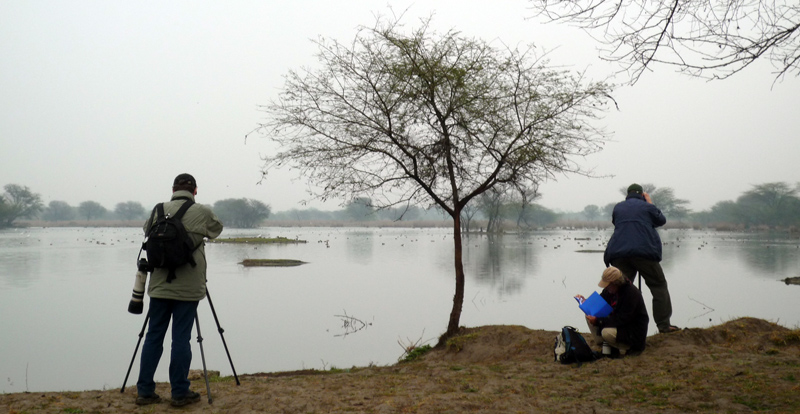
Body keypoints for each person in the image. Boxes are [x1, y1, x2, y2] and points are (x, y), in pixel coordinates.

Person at [136, 173, 224, 407]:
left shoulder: (157, 210)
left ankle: (144, 391)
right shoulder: (202, 211)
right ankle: (179, 392)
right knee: (181, 339)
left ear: (172, 189)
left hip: (159, 285)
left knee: (153, 336)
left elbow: (146, 232)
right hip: (189, 286)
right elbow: (217, 230)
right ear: (195, 191)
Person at [604, 183, 680, 334]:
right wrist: (650, 203)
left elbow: (616, 222)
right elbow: (661, 220)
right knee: (658, 286)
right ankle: (663, 326)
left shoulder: (619, 207)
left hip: (619, 253)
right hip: (645, 253)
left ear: (627, 194)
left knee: (616, 288)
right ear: (642, 195)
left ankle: (607, 324)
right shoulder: (647, 207)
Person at [577, 266, 649, 357]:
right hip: (621, 325)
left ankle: (625, 347)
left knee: (607, 333)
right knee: (589, 313)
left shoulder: (631, 294)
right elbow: (599, 302)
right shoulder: (610, 291)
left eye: (607, 286)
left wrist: (598, 321)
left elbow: (622, 319)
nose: (606, 288)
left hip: (632, 331)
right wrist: (586, 302)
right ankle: (603, 342)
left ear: (616, 283)